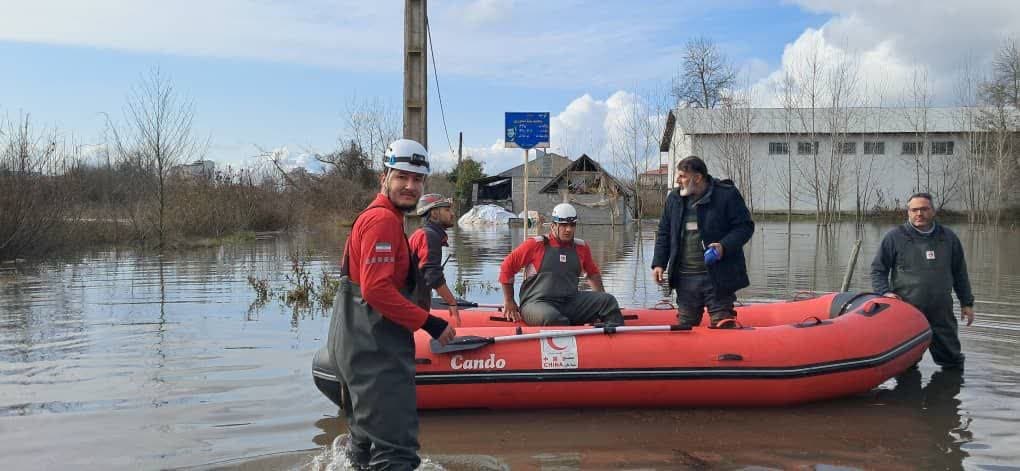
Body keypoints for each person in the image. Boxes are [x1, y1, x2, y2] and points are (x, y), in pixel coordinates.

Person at [328, 138, 456, 470]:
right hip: (375, 355)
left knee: (364, 446)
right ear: (383, 177)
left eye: (417, 179)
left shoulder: (378, 217)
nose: (410, 186)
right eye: (402, 177)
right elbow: (376, 290)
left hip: (356, 350)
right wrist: (432, 323)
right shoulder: (382, 221)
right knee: (396, 452)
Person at [870, 192, 975, 369]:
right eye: (914, 210)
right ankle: (909, 396)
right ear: (908, 213)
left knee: (952, 361)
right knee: (906, 365)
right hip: (907, 311)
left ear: (933, 211)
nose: (919, 213)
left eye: (924, 209)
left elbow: (960, 273)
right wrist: (885, 293)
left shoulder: (948, 238)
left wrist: (967, 303)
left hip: (941, 311)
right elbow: (878, 270)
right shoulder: (894, 237)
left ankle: (948, 394)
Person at [651, 155, 754, 329]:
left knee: (723, 325)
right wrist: (658, 263)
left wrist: (724, 246)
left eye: (682, 176)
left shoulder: (726, 195)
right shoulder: (674, 200)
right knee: (685, 327)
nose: (677, 180)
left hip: (718, 277)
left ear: (697, 177)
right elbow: (664, 233)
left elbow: (745, 227)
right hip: (685, 278)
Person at [499, 203, 624, 326]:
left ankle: (611, 334)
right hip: (536, 303)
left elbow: (592, 274)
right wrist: (509, 301)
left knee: (608, 300)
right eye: (563, 225)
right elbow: (507, 267)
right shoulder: (536, 245)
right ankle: (569, 329)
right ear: (553, 226)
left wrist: (600, 307)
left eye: (572, 225)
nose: (568, 229)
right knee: (552, 318)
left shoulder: (581, 247)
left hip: (570, 302)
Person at [408, 193, 461, 325]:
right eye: (447, 210)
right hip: (411, 304)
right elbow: (433, 276)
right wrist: (452, 302)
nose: (452, 214)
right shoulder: (429, 236)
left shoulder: (426, 234)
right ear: (434, 214)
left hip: (414, 301)